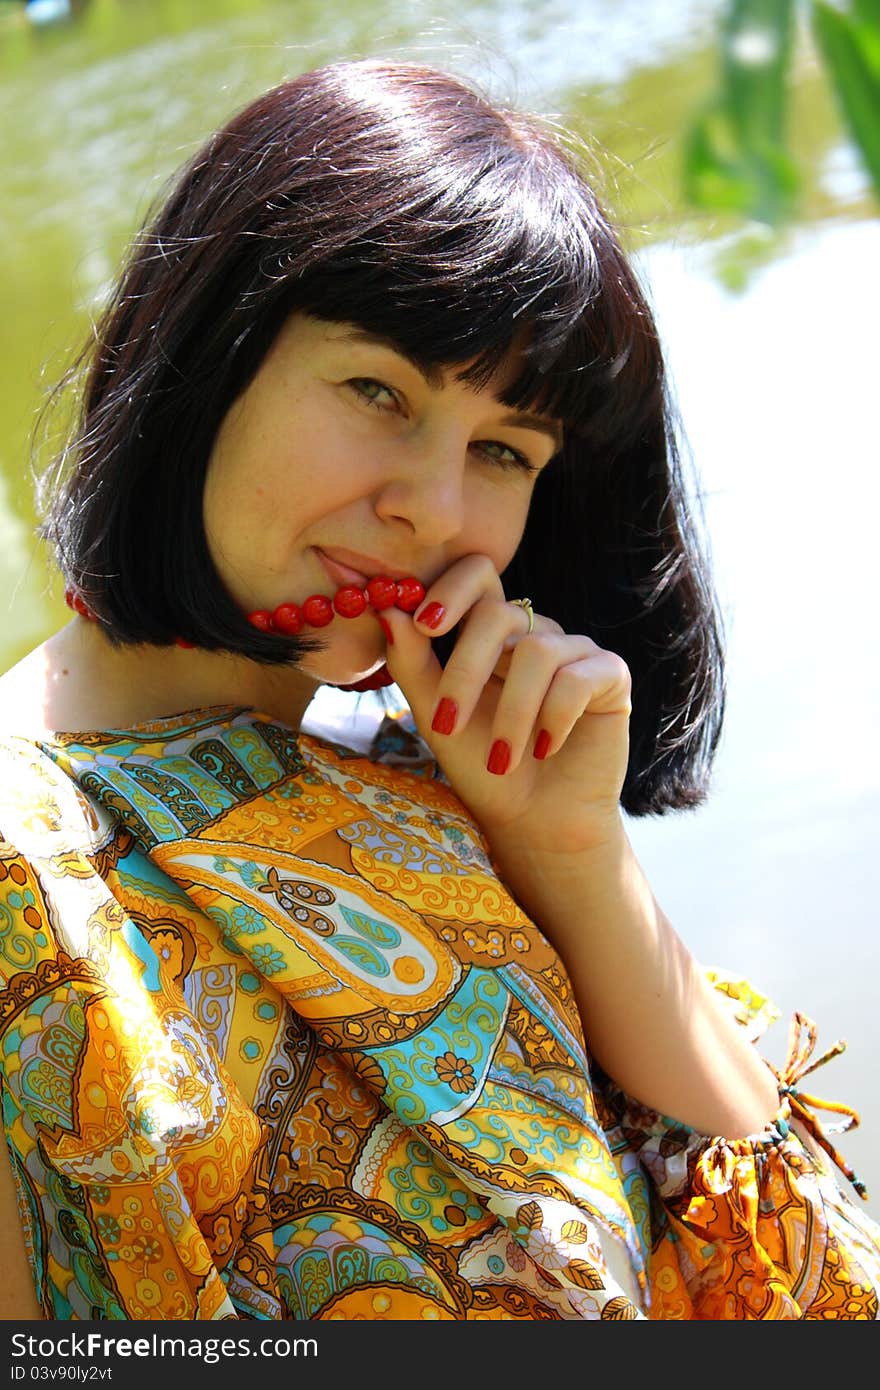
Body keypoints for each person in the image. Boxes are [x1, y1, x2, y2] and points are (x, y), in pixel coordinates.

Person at [0, 57, 877, 1324]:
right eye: (376, 391)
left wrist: (572, 855)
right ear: (209, 353)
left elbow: (798, 1271)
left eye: (503, 451)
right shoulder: (26, 867)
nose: (438, 509)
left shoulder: (430, 768)